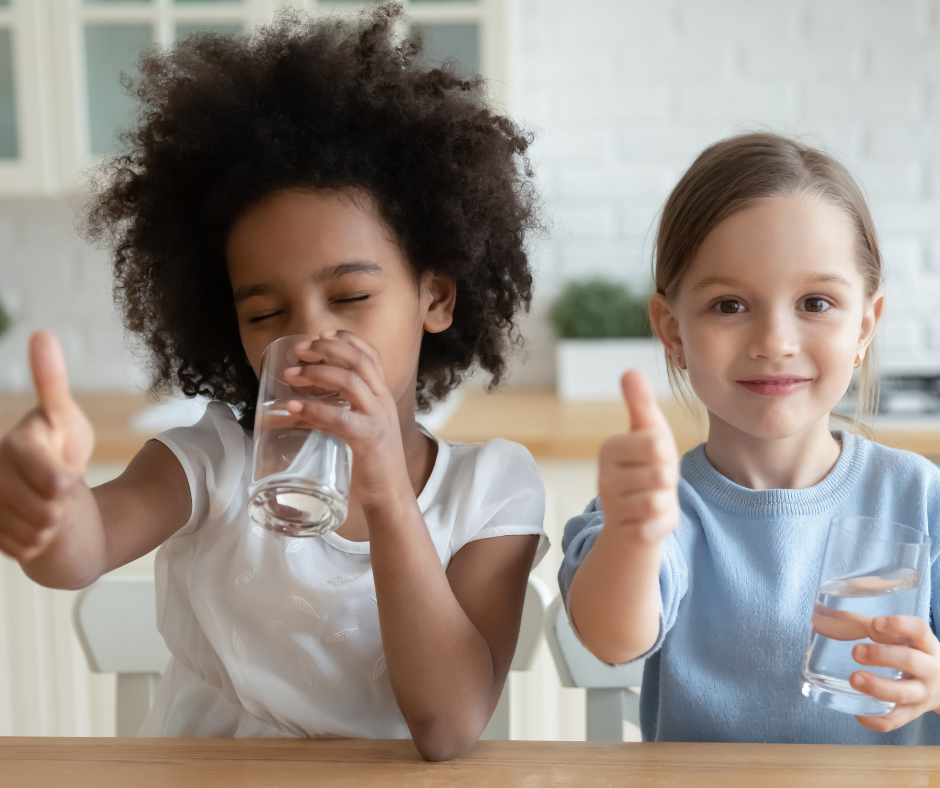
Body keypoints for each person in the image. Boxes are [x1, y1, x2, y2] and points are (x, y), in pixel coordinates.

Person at [0, 4, 548, 760]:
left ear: (436, 297)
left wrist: (386, 488)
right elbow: (82, 549)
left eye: (351, 297)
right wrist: (50, 507)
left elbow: (449, 726)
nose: (311, 336)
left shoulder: (492, 489)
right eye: (266, 312)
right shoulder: (211, 461)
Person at [559, 132, 940, 744]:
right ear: (672, 331)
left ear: (865, 326)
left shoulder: (918, 496)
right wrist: (633, 537)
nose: (776, 341)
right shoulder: (656, 506)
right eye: (730, 305)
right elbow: (611, 639)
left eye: (815, 302)